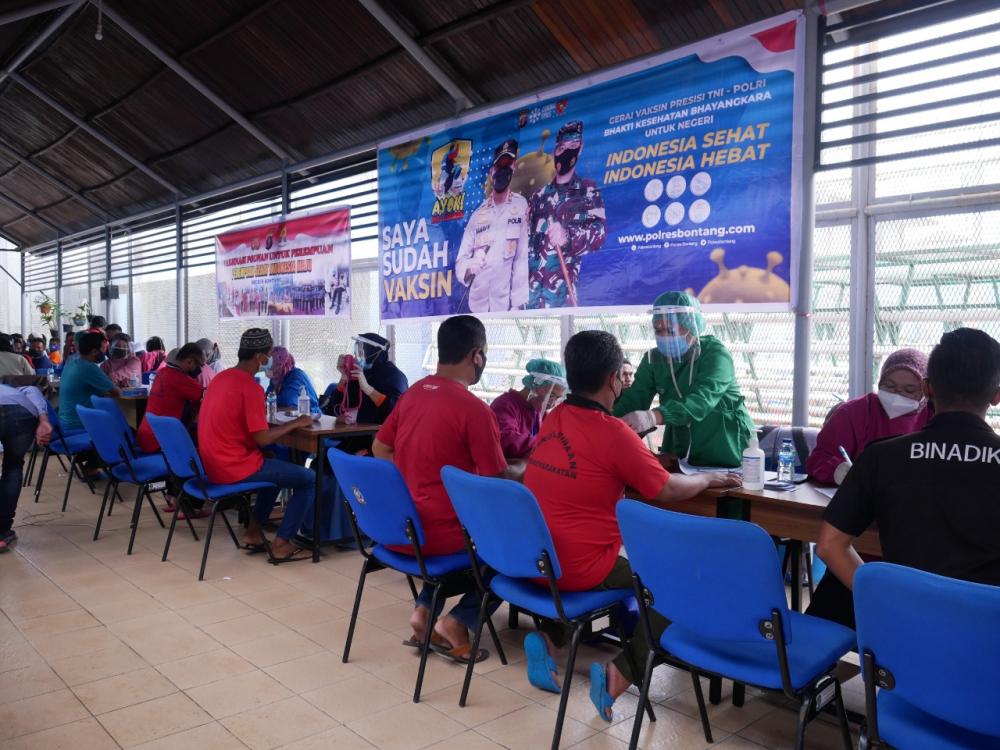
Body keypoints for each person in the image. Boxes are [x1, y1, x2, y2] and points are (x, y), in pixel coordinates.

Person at [521, 330, 740, 718]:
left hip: (536, 559)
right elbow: (668, 489)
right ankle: (620, 671)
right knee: (680, 581)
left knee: (632, 571)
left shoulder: (554, 418)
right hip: (583, 565)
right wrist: (707, 479)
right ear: (613, 380)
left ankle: (548, 637)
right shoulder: (614, 433)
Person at [816, 328, 1000, 629]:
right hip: (988, 644)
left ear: (927, 389)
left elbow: (829, 545)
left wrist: (882, 600)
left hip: (902, 640)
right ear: (996, 395)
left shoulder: (881, 457)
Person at [372, 315, 518, 662]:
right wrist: (524, 471)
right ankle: (458, 621)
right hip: (442, 537)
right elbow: (495, 482)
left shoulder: (412, 394)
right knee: (511, 551)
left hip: (404, 530)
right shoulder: (475, 411)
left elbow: (380, 449)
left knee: (460, 542)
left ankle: (422, 613)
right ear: (477, 355)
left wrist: (413, 475)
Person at [198, 328, 316, 562]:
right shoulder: (250, 387)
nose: (271, 359)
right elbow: (261, 438)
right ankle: (282, 543)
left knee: (274, 465)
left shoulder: (221, 378)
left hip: (211, 463)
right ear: (259, 357)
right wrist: (296, 424)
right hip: (233, 466)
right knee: (309, 479)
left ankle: (253, 532)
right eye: (269, 353)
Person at [614, 291, 754, 468]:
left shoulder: (715, 354)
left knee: (726, 491)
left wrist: (654, 416)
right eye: (658, 330)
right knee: (675, 490)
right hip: (678, 448)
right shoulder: (653, 359)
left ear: (691, 326)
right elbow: (634, 399)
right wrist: (607, 420)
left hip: (723, 443)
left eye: (670, 329)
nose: (664, 335)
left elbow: (702, 400)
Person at [807, 348, 931, 485]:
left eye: (909, 390)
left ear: (926, 390)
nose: (897, 395)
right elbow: (819, 458)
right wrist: (837, 470)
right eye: (889, 386)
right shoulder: (853, 412)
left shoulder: (935, 416)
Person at [527, 120, 606, 308]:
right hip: (531, 299)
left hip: (562, 298)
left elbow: (599, 234)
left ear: (580, 149)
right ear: (555, 150)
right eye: (562, 147)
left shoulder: (588, 191)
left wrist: (567, 236)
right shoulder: (538, 195)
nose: (566, 152)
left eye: (573, 146)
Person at [455, 139, 529, 313]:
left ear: (513, 168)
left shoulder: (520, 207)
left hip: (504, 306)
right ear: (491, 172)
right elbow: (461, 260)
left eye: (507, 164)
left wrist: (517, 304)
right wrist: (469, 266)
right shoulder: (477, 215)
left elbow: (521, 259)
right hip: (475, 307)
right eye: (499, 166)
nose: (503, 170)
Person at [325, 333, 408, 453]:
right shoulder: (361, 373)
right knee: (321, 462)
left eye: (361, 352)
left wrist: (368, 389)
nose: (357, 356)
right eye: (356, 352)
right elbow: (335, 408)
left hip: (378, 442)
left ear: (374, 352)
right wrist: (344, 378)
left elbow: (394, 410)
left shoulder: (394, 376)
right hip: (354, 436)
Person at [0, 383, 53, 551]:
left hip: (20, 411)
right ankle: (2, 533)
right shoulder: (11, 387)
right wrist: (44, 421)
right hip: (21, 413)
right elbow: (32, 390)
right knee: (13, 468)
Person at [490, 358, 566, 460]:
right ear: (536, 386)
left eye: (557, 398)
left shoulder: (540, 413)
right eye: (551, 396)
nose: (552, 403)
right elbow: (506, 439)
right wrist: (546, 444)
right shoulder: (505, 405)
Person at [136, 343, 205, 454]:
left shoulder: (161, 373)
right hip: (161, 442)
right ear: (189, 362)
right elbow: (208, 396)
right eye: (200, 365)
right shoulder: (180, 378)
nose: (200, 370)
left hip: (147, 437)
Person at [59, 331, 120, 434]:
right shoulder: (89, 367)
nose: (105, 353)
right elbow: (116, 392)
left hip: (64, 422)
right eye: (103, 349)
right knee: (123, 427)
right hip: (79, 424)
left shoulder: (72, 363)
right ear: (94, 351)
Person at [265, 347, 319, 413]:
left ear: (281, 363)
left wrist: (269, 404)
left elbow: (291, 404)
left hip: (310, 418)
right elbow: (267, 397)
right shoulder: (277, 377)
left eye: (273, 362)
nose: (268, 365)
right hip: (288, 418)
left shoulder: (295, 377)